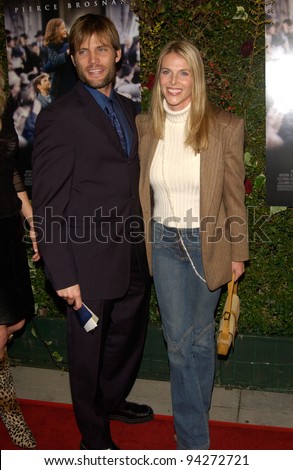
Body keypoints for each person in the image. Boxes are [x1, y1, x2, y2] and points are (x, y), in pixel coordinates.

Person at [32, 13, 153, 451]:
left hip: (133, 255)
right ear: (72, 57)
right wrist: (62, 274)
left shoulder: (131, 110)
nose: (93, 58)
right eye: (83, 51)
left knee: (127, 340)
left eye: (102, 48)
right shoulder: (59, 118)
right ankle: (93, 436)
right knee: (87, 357)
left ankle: (112, 400)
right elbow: (48, 204)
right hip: (86, 261)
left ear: (118, 55)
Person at [136, 40, 249, 450]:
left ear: (196, 77)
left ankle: (191, 420)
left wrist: (238, 252)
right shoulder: (146, 126)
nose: (174, 81)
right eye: (167, 72)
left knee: (201, 340)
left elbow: (234, 196)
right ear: (158, 79)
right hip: (164, 241)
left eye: (183, 72)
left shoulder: (224, 126)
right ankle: (193, 443)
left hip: (209, 242)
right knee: (180, 345)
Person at [0, 65, 40, 448]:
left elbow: (10, 170)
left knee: (16, 321)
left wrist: (32, 221)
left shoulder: (3, 106)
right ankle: (12, 418)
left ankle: (9, 411)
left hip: (7, 229)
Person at [43, 18, 77, 99]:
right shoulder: (52, 46)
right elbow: (51, 63)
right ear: (55, 31)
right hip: (61, 85)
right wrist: (67, 52)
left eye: (65, 28)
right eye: (62, 28)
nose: (65, 30)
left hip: (73, 81)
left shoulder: (69, 42)